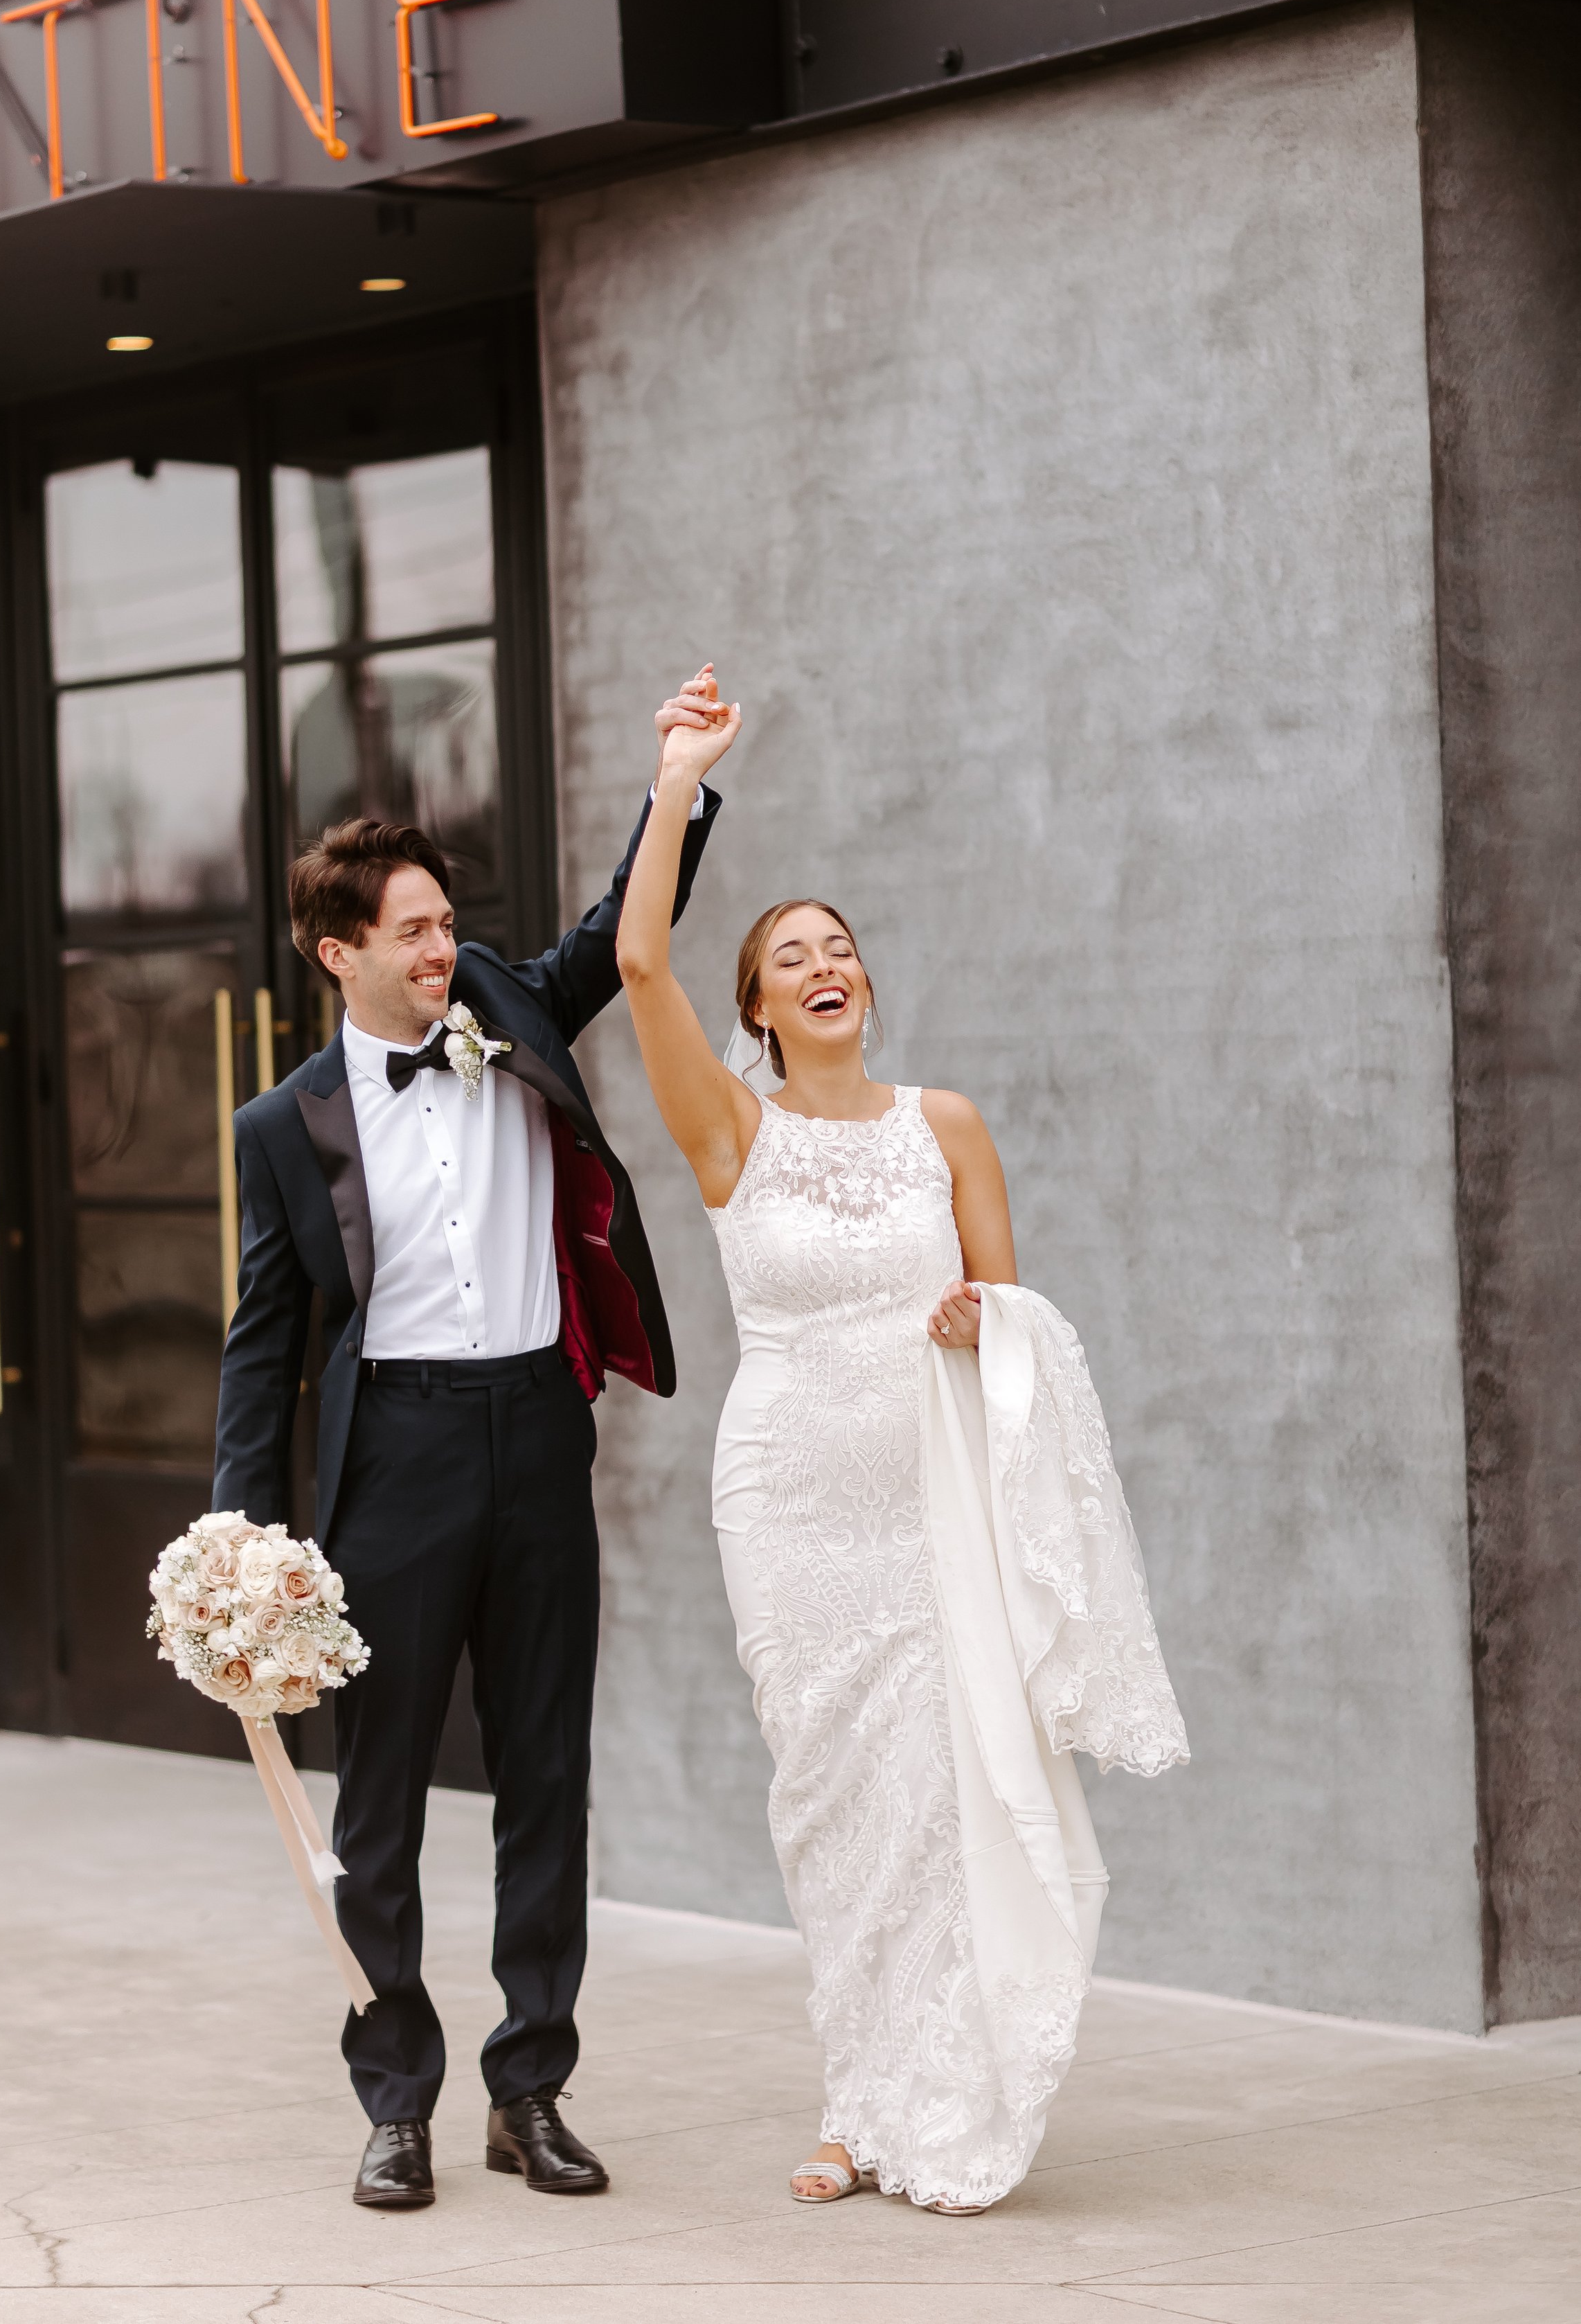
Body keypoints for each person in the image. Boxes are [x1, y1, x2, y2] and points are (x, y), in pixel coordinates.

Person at [616, 672, 1188, 2215]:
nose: (824, 966)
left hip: (933, 1505)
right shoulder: (732, 1133)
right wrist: (678, 779)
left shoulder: (947, 1124)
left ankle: (932, 2088)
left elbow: (1013, 1317)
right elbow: (638, 957)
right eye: (790, 957)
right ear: (755, 1008)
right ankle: (850, 2103)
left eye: (840, 947)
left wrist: (979, 1320)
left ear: (866, 982)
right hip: (790, 1504)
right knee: (831, 1803)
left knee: (940, 1802)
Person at [211, 673, 722, 2212]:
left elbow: (622, 930)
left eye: (447, 922)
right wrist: (239, 1538)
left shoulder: (505, 1003)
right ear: (338, 952)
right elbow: (264, 1344)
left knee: (545, 1774)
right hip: (398, 1461)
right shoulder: (284, 1126)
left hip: (538, 1436)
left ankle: (531, 2089)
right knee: (378, 1802)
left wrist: (679, 781)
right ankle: (396, 2100)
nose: (445, 949)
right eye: (415, 932)